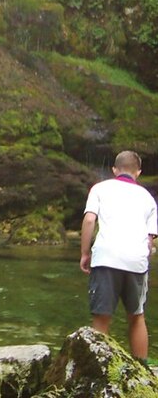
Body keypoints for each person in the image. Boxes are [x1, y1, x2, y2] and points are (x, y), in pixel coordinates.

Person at [80, 150, 157, 365]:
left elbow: (89, 221)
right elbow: (150, 239)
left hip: (106, 257)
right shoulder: (147, 197)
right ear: (138, 172)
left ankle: (98, 368)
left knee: (102, 317)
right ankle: (142, 369)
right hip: (136, 261)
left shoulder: (100, 188)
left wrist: (85, 253)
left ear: (114, 170)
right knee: (137, 316)